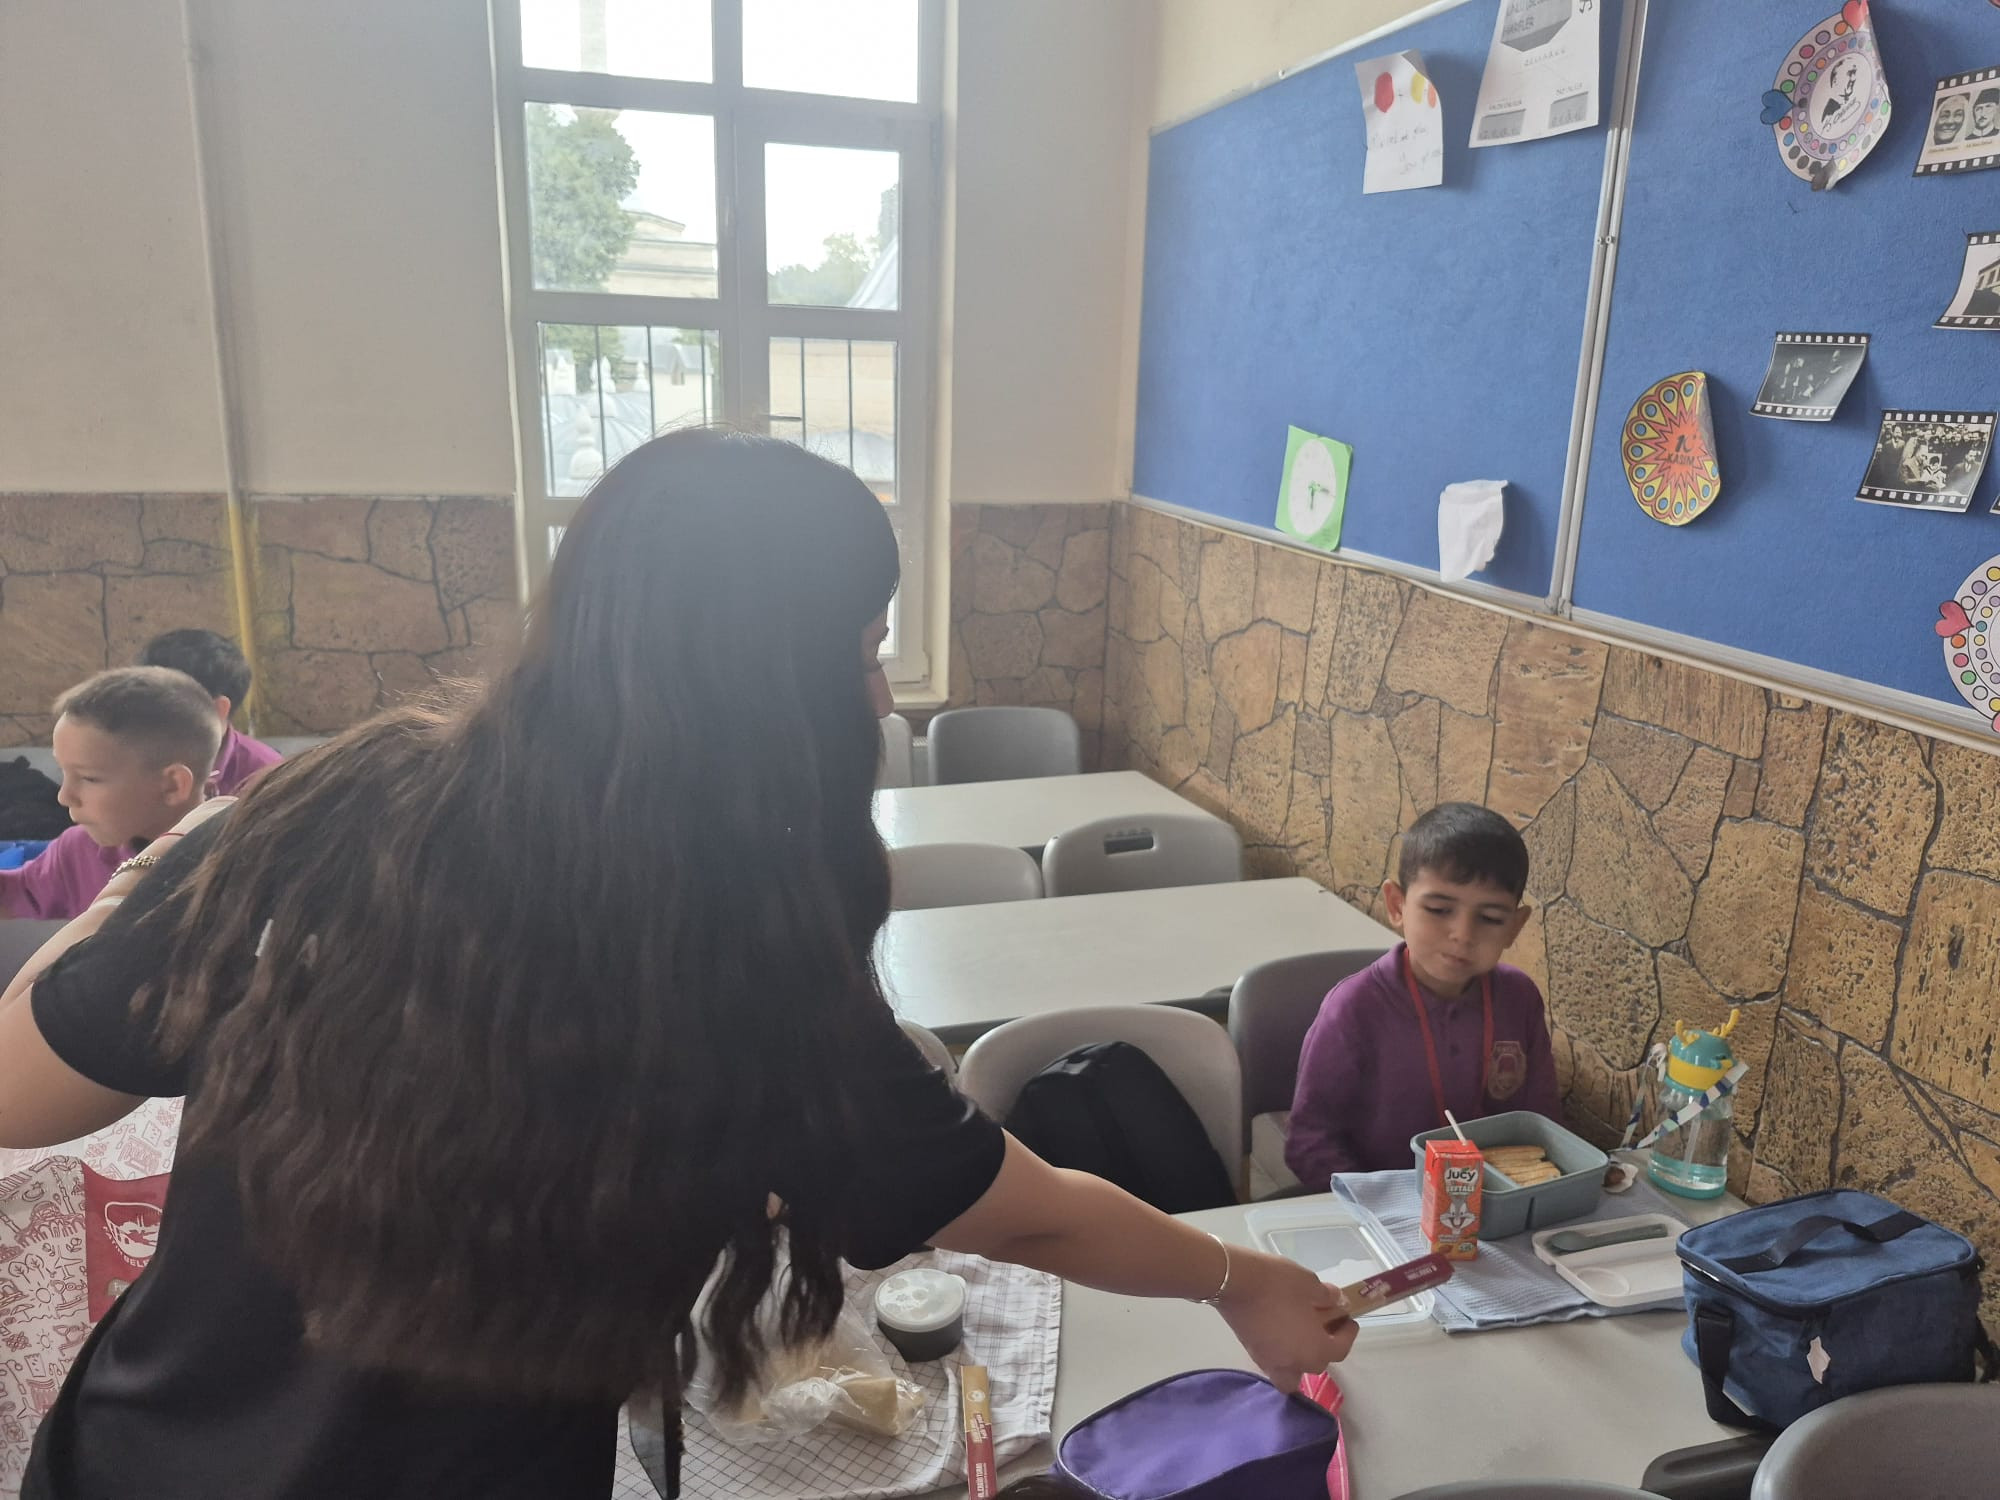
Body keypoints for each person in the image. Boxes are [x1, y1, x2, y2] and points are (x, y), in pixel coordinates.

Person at [0, 429, 1355, 1500]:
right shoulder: (735, 945)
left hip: (135, 1455)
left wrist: (149, 884)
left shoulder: (326, 809)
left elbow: (23, 1093)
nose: (877, 695)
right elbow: (1028, 1211)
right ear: (759, 678)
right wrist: (1249, 1283)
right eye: (863, 649)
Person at [1285, 802, 1560, 1184]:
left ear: (1515, 926)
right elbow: (1309, 1143)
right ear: (1397, 905)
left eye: (1490, 918)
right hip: (1381, 1205)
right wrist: (1387, 1205)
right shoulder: (1353, 1009)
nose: (1463, 934)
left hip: (1495, 1202)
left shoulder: (1519, 998)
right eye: (1439, 909)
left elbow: (1543, 1123)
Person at [0, 667, 220, 922]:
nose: (64, 797)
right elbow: (13, 895)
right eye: (63, 772)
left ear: (172, 785)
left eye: (89, 778)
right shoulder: (79, 850)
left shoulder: (238, 862)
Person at [137, 628, 283, 793]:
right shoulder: (133, 757)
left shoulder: (265, 777)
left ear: (217, 710)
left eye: (164, 705)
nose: (148, 717)